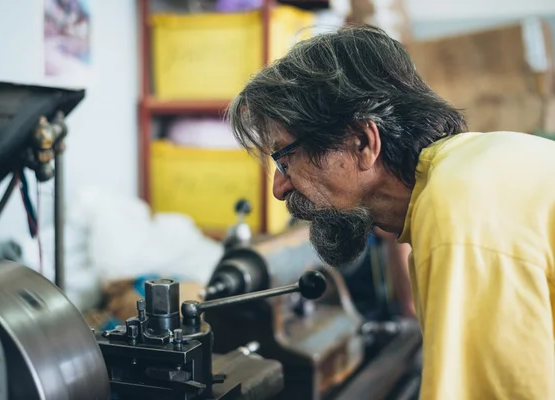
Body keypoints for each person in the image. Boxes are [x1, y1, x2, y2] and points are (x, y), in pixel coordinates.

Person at [226, 25, 555, 399]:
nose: (279, 187)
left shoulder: (459, 212)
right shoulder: (466, 175)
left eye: (286, 158)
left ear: (363, 142)